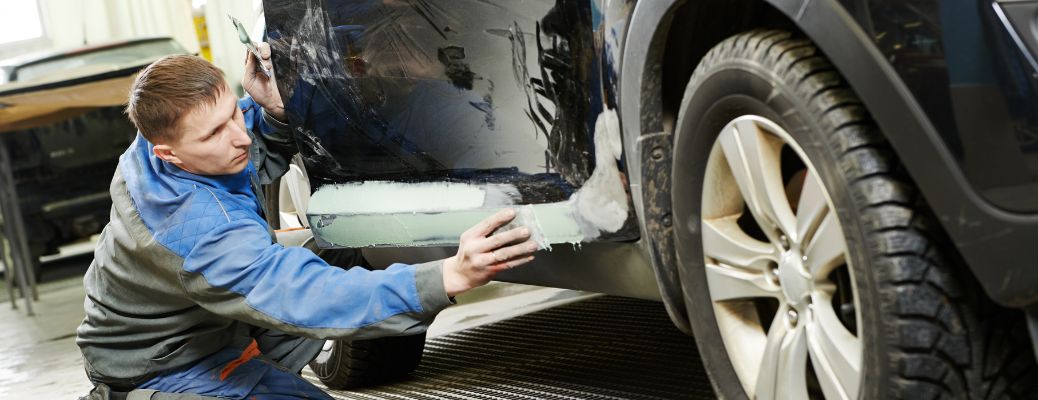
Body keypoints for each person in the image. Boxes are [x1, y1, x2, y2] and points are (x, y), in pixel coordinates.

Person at [76, 43, 538, 399]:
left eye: (233, 113)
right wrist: (447, 276)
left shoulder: (158, 145)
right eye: (215, 133)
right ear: (168, 154)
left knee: (344, 248)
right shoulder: (196, 232)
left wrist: (271, 114)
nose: (239, 138)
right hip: (165, 362)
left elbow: (240, 144)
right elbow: (300, 293)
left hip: (216, 321)